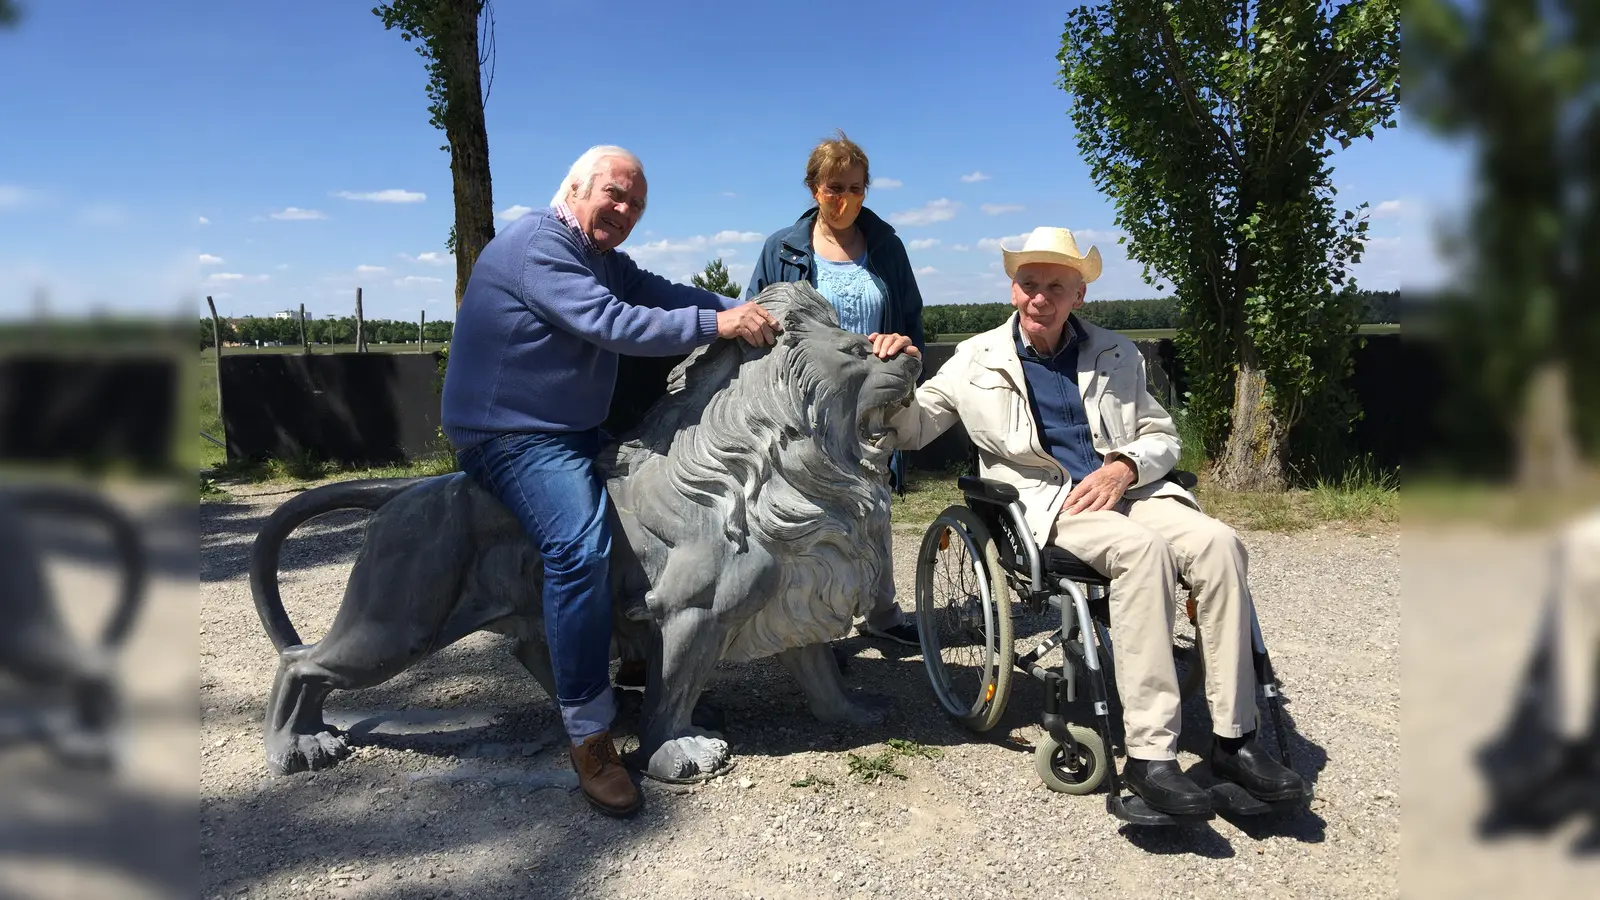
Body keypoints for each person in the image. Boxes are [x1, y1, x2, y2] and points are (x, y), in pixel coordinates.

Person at [882, 226, 1306, 816]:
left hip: (1131, 490)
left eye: (1057, 286)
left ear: (1078, 295)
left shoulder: (1116, 352)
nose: (1041, 297)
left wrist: (1125, 467)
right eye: (1030, 284)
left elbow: (1161, 434)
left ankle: (1235, 739)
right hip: (1051, 504)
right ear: (1012, 289)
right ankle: (1152, 755)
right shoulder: (974, 359)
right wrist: (894, 376)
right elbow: (912, 428)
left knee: (1219, 543)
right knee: (1141, 553)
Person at [440, 145, 781, 818]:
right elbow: (614, 323)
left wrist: (749, 308)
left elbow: (660, 293)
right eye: (614, 196)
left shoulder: (599, 258)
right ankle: (589, 736)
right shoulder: (536, 245)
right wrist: (721, 324)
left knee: (654, 504)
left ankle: (634, 661)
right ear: (574, 188)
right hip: (511, 435)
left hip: (566, 430)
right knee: (580, 546)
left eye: (636, 205)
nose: (624, 212)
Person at [745, 130, 926, 649]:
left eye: (854, 187)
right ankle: (815, 627)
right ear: (813, 189)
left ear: (866, 189)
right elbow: (762, 316)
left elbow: (911, 321)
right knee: (810, 510)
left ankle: (884, 613)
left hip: (871, 401)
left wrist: (901, 343)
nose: (843, 198)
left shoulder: (887, 246)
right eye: (832, 187)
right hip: (806, 404)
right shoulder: (780, 248)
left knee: (874, 501)